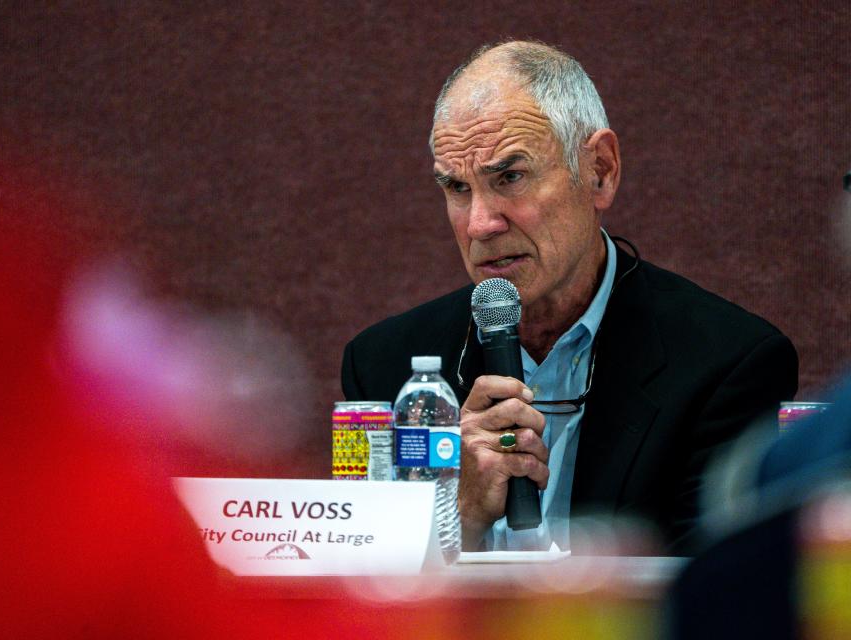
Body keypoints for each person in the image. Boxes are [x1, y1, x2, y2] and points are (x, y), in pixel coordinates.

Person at [340, 40, 798, 554]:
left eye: (510, 177)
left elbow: (717, 593)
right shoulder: (383, 366)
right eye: (457, 188)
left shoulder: (727, 364)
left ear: (599, 170)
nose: (479, 224)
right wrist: (456, 514)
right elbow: (356, 586)